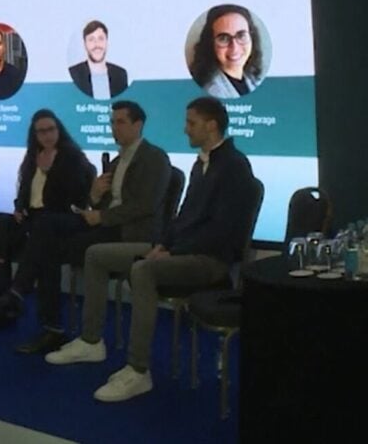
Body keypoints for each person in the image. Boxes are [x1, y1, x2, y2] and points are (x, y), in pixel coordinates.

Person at [46, 96, 258, 404]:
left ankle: (138, 369)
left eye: (191, 123)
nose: (186, 130)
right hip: (182, 250)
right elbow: (183, 217)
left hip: (210, 260)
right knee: (96, 255)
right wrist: (163, 245)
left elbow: (222, 232)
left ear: (211, 126)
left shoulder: (234, 167)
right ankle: (91, 341)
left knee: (142, 269)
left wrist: (173, 252)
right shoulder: (202, 164)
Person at [0, 101, 171, 353]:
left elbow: (145, 206)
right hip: (96, 223)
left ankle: (23, 301)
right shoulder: (116, 162)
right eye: (112, 122)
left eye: (121, 122)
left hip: (129, 232)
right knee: (30, 234)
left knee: (46, 233)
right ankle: (34, 314)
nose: (115, 128)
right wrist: (94, 196)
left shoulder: (154, 157)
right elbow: (94, 201)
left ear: (138, 125)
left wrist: (100, 215)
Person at [0, 109, 91, 331]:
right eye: (41, 132)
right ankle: (4, 297)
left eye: (51, 130)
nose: (47, 135)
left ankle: (15, 294)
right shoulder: (32, 157)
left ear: (59, 130)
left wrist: (51, 173)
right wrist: (19, 208)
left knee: (42, 230)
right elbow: (24, 193)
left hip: (58, 217)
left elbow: (75, 198)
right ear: (35, 135)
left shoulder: (72, 157)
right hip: (33, 217)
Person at [189, 4, 265, 98]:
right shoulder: (210, 91)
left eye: (241, 35)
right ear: (210, 43)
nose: (234, 48)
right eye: (224, 38)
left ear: (252, 38)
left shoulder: (253, 79)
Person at [68, 20, 129, 99]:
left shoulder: (120, 74)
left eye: (100, 39)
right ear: (85, 44)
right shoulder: (74, 73)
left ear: (106, 42)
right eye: (91, 39)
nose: (96, 44)